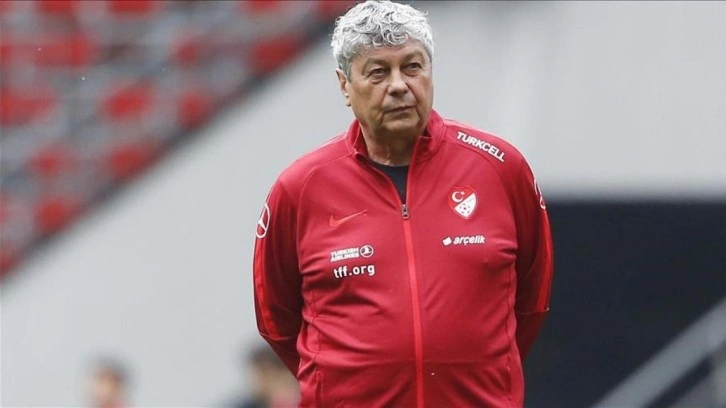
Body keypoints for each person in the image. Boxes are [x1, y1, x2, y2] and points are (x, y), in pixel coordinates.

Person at [252, 1, 554, 406]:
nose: (398, 85)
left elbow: (531, 302)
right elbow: (277, 321)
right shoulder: (300, 188)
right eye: (378, 72)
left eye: (412, 67)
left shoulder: (500, 168)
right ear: (345, 85)